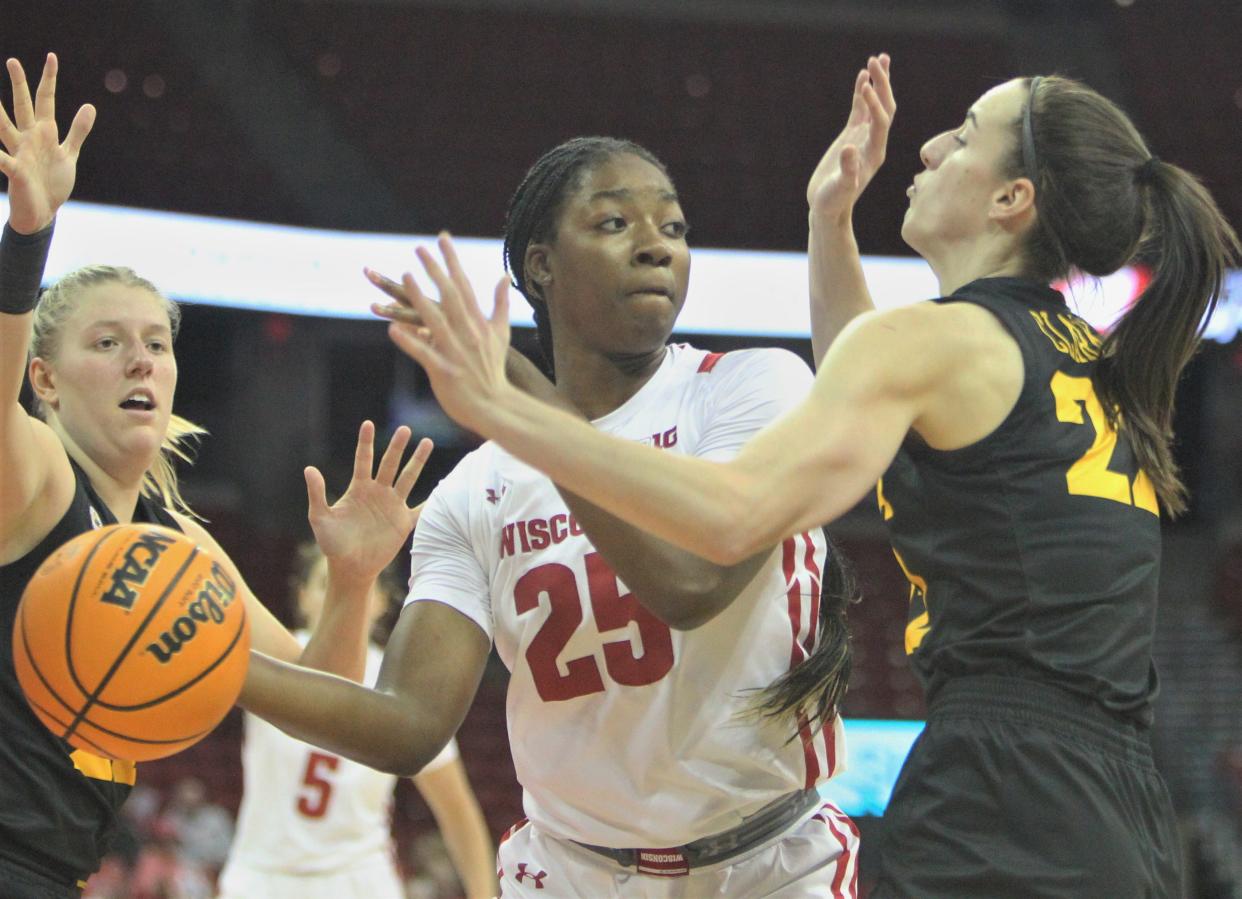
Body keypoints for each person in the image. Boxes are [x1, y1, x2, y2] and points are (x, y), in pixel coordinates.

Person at [376, 56, 1241, 897]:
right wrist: (830, 221)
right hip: (1119, 799)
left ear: (1014, 198)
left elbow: (732, 516)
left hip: (996, 785)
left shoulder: (939, 341)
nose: (932, 146)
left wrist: (506, 399)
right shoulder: (1082, 355)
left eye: (966, 135)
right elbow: (863, 387)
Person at [242, 135, 862, 897]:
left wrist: (516, 396)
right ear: (540, 264)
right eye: (614, 224)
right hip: (569, 870)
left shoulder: (751, 387)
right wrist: (216, 662)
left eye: (673, 228)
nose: (655, 247)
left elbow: (691, 584)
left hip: (767, 864)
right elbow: (407, 725)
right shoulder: (473, 492)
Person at [0, 53, 431, 898]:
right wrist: (27, 238)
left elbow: (322, 703)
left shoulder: (176, 540)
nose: (143, 361)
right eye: (107, 342)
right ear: (45, 378)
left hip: (55, 866)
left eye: (156, 343)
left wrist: (350, 579)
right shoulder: (41, 473)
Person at [217, 542, 497, 899]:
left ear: (381, 601)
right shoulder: (278, 655)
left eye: (359, 581)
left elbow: (457, 811)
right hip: (260, 877)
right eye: (326, 583)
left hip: (358, 879)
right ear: (303, 598)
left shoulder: (402, 684)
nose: (340, 590)